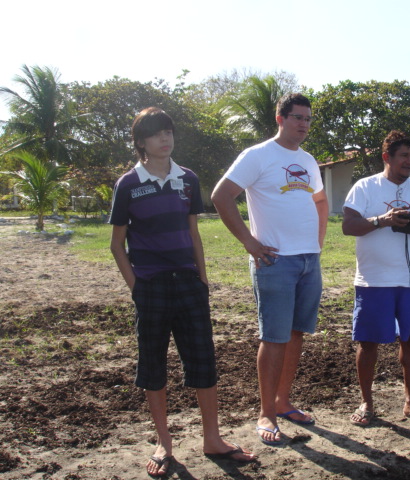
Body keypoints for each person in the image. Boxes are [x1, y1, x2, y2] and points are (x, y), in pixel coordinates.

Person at [109, 107, 255, 477]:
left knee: (203, 361)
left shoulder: (188, 179)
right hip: (152, 287)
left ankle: (212, 439)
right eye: (157, 134)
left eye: (169, 132)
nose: (165, 139)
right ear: (141, 142)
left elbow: (193, 234)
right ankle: (164, 443)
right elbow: (117, 244)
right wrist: (137, 287)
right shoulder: (128, 184)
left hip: (189, 284)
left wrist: (202, 279)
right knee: (153, 365)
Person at [211, 93, 328, 446]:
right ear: (280, 118)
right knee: (273, 337)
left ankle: (283, 402)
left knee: (295, 334)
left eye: (307, 118)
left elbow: (320, 201)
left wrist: (317, 242)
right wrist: (249, 241)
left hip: (308, 260)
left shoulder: (308, 161)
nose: (303, 124)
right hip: (274, 261)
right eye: (296, 117)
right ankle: (265, 413)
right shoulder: (257, 155)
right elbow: (221, 196)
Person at [342, 130, 410, 427]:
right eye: (404, 156)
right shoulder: (365, 187)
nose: (409, 161)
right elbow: (349, 226)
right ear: (387, 157)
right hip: (374, 281)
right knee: (368, 343)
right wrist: (382, 220)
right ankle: (366, 403)